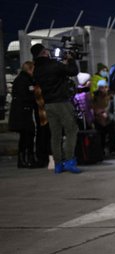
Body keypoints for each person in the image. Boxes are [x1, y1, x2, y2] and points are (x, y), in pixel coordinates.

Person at [31, 43, 81, 174]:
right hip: (62, 102)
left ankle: (58, 164)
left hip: (48, 104)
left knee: (55, 135)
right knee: (71, 131)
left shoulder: (37, 69)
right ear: (44, 52)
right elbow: (73, 71)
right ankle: (70, 161)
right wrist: (70, 60)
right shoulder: (53, 65)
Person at [9, 61, 37, 168]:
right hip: (23, 113)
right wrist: (34, 97)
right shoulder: (24, 80)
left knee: (25, 136)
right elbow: (24, 96)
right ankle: (27, 159)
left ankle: (23, 160)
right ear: (30, 69)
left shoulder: (21, 79)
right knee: (28, 135)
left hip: (20, 112)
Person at [92, 80, 115, 156]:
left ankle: (112, 150)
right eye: (103, 87)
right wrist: (100, 113)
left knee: (111, 135)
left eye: (106, 87)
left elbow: (111, 106)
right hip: (98, 119)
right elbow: (94, 107)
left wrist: (105, 112)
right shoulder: (95, 96)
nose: (105, 89)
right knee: (101, 136)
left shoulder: (110, 96)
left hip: (108, 118)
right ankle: (101, 150)